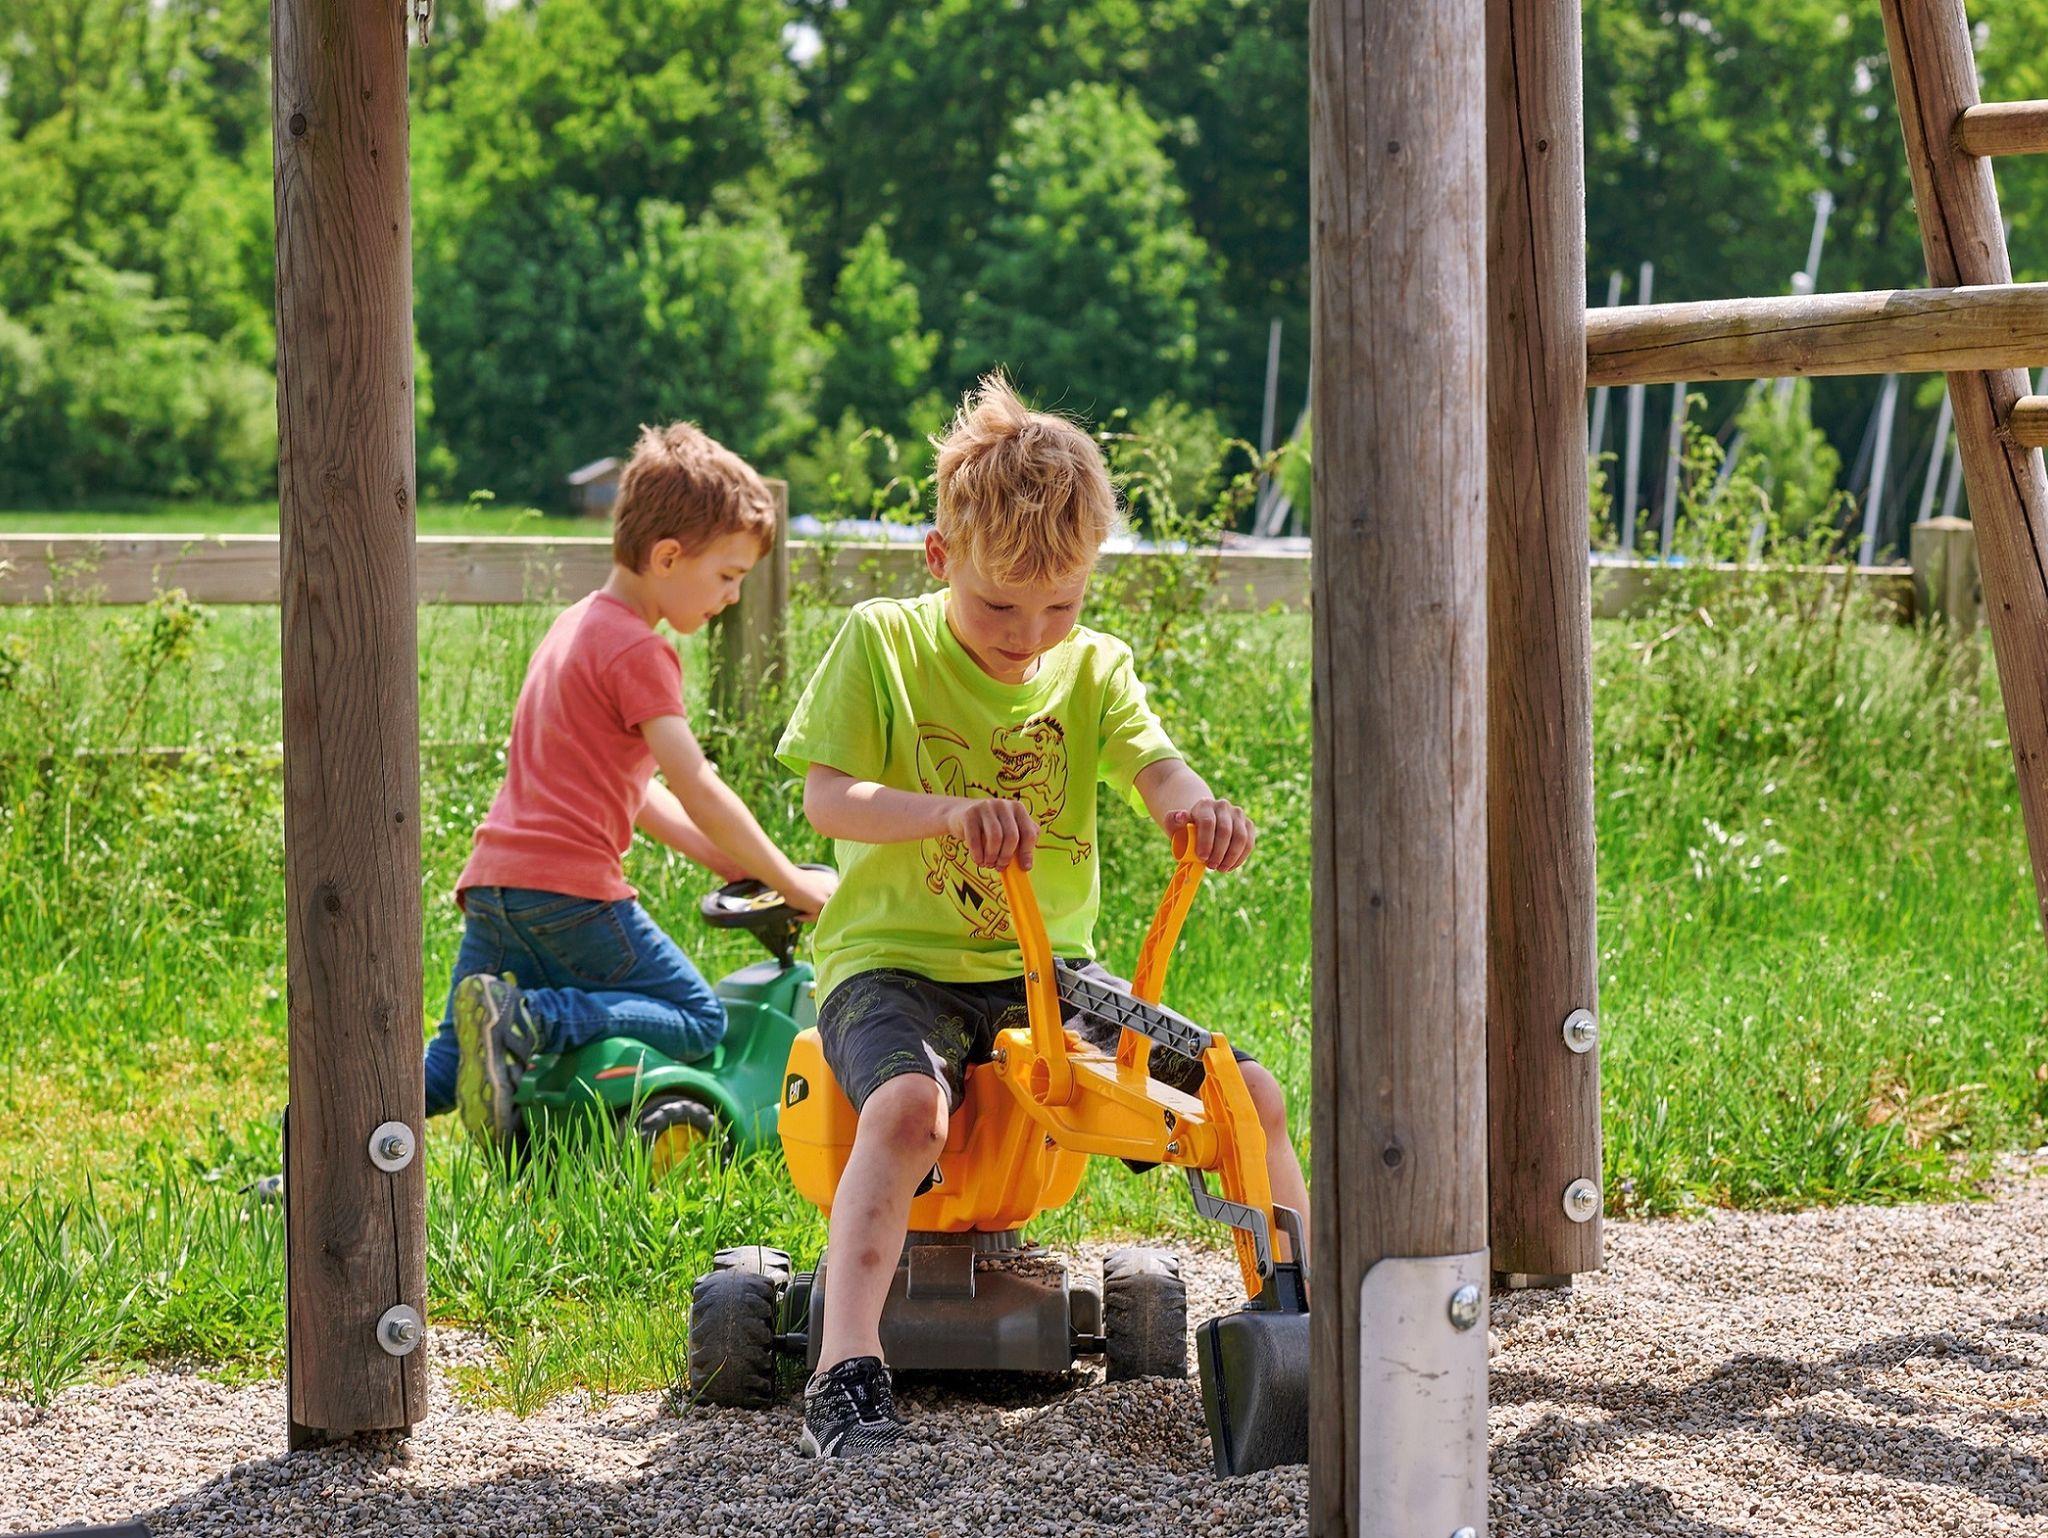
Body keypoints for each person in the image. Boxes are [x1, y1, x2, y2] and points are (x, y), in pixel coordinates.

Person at [774, 375, 1309, 1459]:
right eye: (998, 607)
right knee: (908, 1110)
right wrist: (946, 812)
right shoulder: (881, 644)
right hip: (893, 965)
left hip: (1047, 975)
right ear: (939, 557)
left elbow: (1157, 768)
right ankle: (844, 1368)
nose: (1028, 636)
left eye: (1059, 606)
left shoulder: (1094, 667)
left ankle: (1304, 1321)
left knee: (1243, 1090)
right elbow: (827, 798)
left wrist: (1197, 810)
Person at [429, 421, 836, 1151]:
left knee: (447, 1061)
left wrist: (728, 864)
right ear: (668, 556)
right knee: (699, 1020)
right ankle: (535, 1021)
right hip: (572, 895)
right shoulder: (640, 652)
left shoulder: (574, 627)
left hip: (495, 887)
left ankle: (316, 1153)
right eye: (728, 576)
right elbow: (696, 781)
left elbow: (637, 794)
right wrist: (790, 881)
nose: (732, 597)